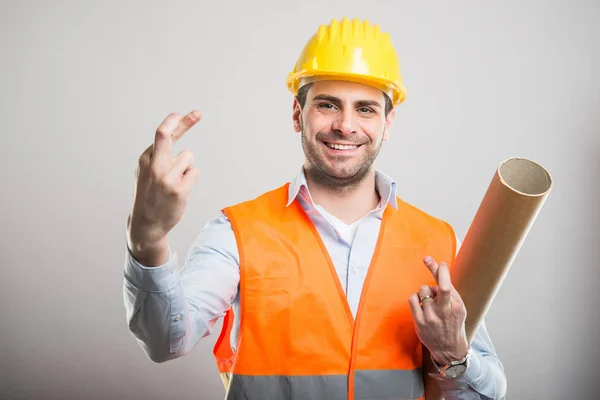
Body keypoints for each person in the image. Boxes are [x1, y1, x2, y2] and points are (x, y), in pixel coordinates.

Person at [123, 17, 507, 400]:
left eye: (366, 109)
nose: (345, 125)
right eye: (327, 104)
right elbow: (164, 341)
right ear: (297, 114)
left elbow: (486, 394)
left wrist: (453, 353)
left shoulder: (437, 242)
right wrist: (148, 238)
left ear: (388, 122)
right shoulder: (236, 232)